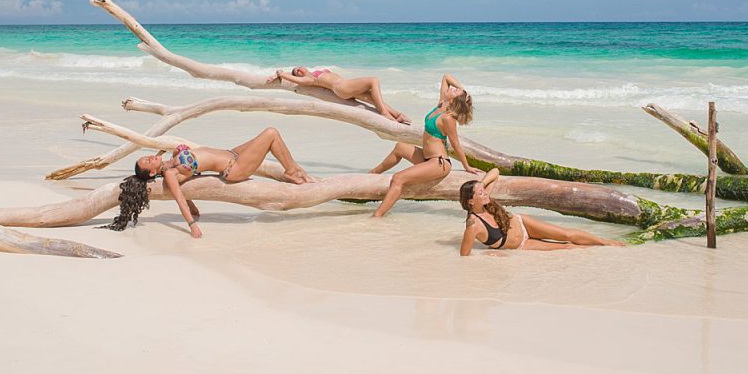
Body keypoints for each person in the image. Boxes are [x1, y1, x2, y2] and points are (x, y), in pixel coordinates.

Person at [100, 126, 313, 238]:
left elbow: (188, 187)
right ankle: (293, 171)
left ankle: (293, 170)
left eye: (147, 156)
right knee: (271, 133)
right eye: (148, 161)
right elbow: (180, 198)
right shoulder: (170, 175)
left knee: (270, 136)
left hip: (232, 153)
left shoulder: (172, 161)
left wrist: (178, 152)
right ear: (152, 172)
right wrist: (192, 225)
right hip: (233, 168)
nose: (150, 157)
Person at [369, 73, 480, 217]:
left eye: (454, 91)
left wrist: (467, 166)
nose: (451, 89)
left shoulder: (448, 118)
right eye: (454, 88)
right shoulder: (441, 105)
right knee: (400, 147)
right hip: (426, 159)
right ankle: (372, 174)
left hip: (439, 164)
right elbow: (446, 77)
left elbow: (456, 144)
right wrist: (463, 90)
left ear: (454, 100)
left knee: (398, 178)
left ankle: (377, 216)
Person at [459, 168, 626, 255]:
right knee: (567, 249)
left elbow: (495, 172)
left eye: (483, 191)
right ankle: (600, 253)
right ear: (471, 201)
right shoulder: (473, 225)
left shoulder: (485, 198)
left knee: (567, 235)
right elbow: (464, 256)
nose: (484, 193)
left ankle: (606, 242)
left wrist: (480, 184)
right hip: (521, 245)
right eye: (480, 193)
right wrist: (488, 255)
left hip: (523, 224)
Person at [267, 66, 410, 124]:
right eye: (296, 72)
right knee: (374, 80)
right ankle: (384, 113)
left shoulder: (314, 73)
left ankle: (398, 115)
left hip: (345, 87)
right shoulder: (309, 79)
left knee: (372, 97)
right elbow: (285, 74)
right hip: (342, 87)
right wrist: (278, 74)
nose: (298, 70)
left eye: (298, 67)